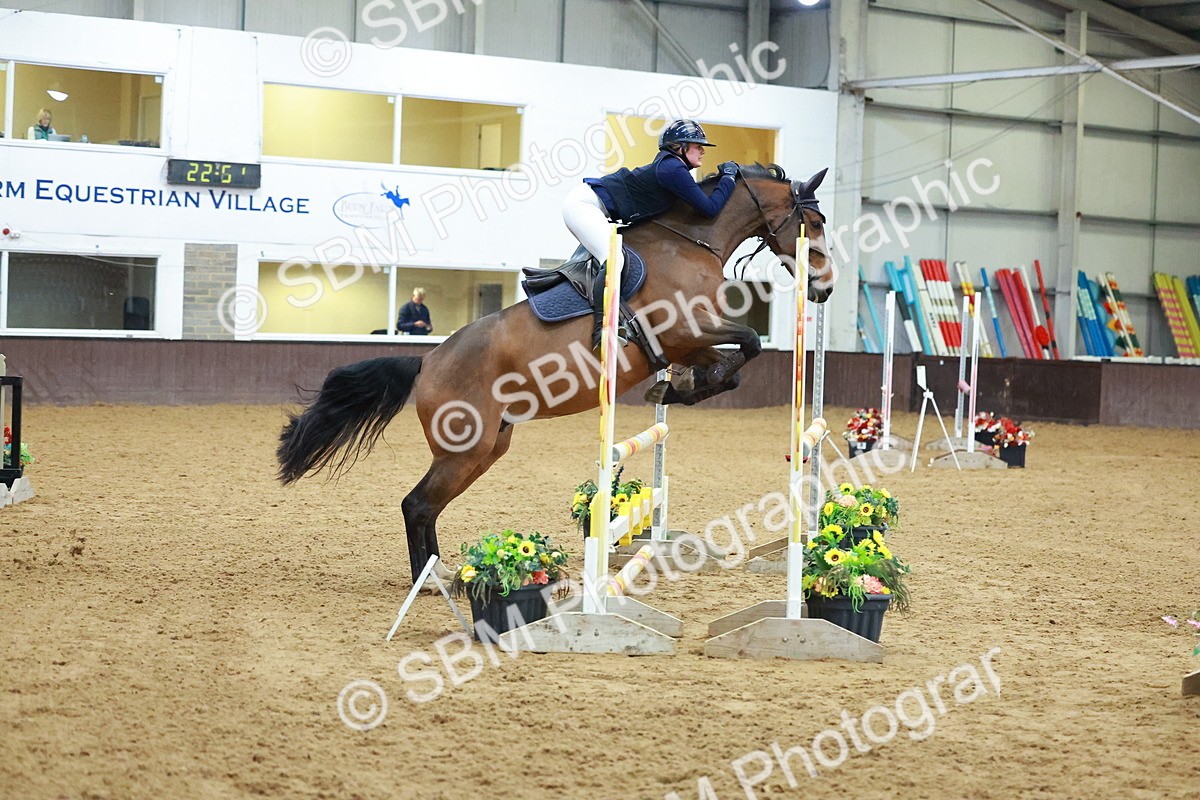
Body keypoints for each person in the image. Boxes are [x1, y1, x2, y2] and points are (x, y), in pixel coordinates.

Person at [562, 119, 739, 347]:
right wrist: (729, 178)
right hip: (583, 205)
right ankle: (602, 329)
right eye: (697, 146)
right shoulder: (673, 169)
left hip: (595, 206)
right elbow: (709, 209)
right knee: (614, 258)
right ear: (680, 147)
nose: (703, 150)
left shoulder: (675, 168)